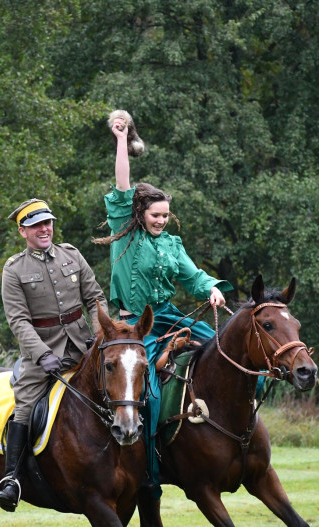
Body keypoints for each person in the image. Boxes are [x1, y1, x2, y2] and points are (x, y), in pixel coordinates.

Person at [94, 115, 234, 492]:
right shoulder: (125, 233)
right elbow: (123, 183)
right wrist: (121, 139)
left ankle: (224, 436)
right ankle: (148, 467)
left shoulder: (172, 244)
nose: (161, 221)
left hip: (170, 317)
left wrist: (212, 289)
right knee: (150, 392)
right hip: (135, 326)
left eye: (165, 216)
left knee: (219, 351)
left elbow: (193, 276)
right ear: (139, 213)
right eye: (155, 216)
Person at [0, 198, 107, 511]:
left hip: (85, 345)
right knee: (26, 404)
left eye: (47, 223)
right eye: (35, 225)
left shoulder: (72, 254)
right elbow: (18, 321)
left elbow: (95, 299)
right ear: (23, 231)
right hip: (41, 355)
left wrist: (101, 336)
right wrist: (42, 354)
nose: (44, 229)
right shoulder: (14, 269)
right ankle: (11, 478)